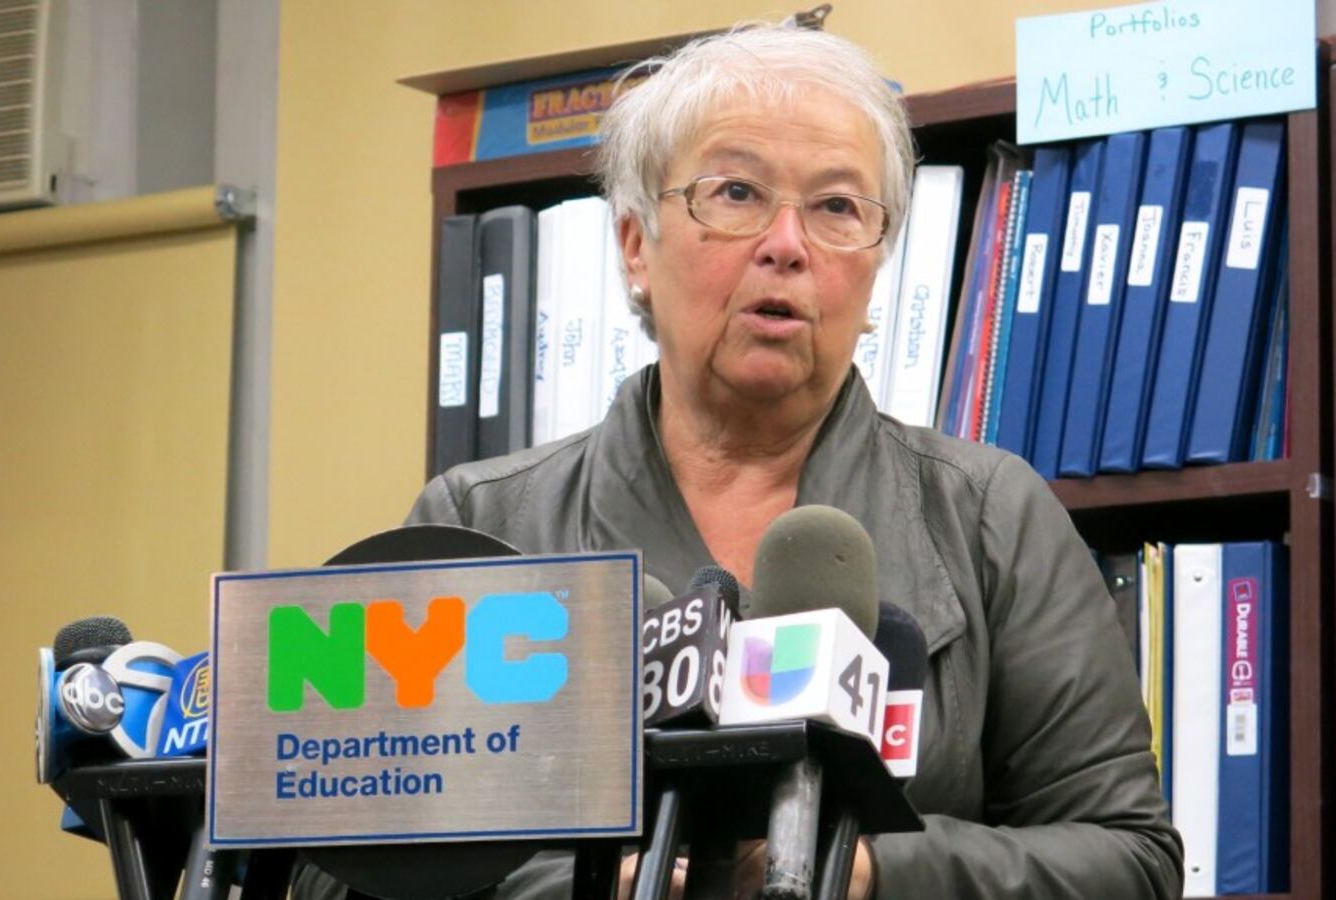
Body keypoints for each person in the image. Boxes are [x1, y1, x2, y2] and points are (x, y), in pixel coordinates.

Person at [298, 19, 1182, 900]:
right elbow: (327, 873)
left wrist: (861, 868)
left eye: (838, 208)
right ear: (636, 247)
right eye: (736, 193)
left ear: (875, 268)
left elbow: (1129, 862)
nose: (787, 245)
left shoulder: (991, 515)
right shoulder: (481, 522)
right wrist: (592, 886)